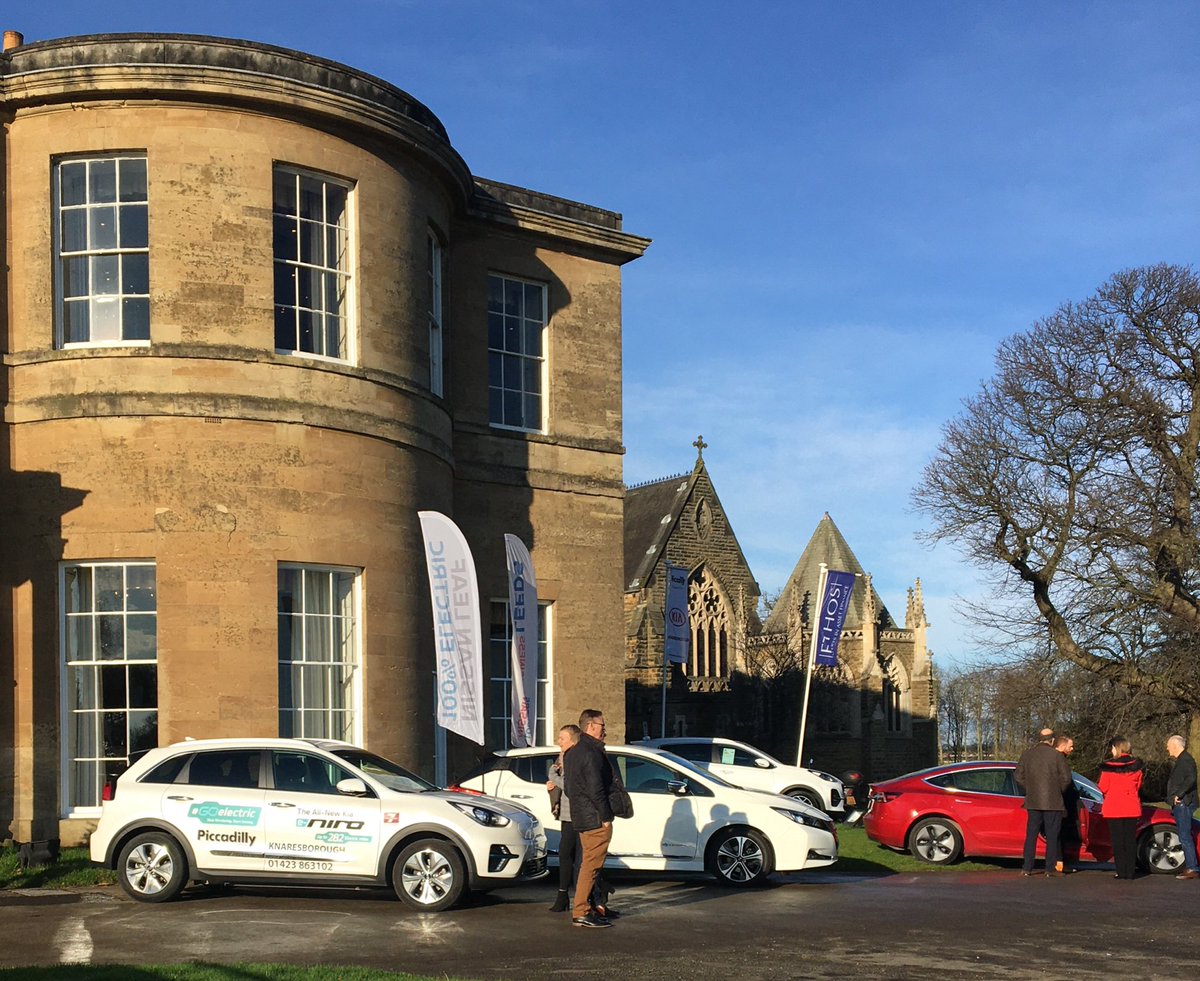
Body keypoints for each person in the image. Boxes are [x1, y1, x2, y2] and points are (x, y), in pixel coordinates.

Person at [563, 708, 614, 927]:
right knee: (591, 865)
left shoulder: (573, 752)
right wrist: (605, 816)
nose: (605, 730)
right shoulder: (591, 753)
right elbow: (596, 789)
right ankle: (582, 910)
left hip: (581, 815)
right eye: (603, 725)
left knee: (588, 863)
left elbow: (567, 787)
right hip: (594, 817)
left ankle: (586, 907)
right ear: (591, 726)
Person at [1013, 728, 1072, 877]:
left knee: (1031, 835)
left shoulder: (1027, 755)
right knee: (1052, 836)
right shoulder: (1057, 756)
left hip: (1033, 801)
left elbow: (1018, 776)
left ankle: (1027, 867)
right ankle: (1049, 869)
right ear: (1052, 741)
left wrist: (1030, 789)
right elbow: (1066, 779)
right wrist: (1057, 790)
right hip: (1053, 801)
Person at [1097, 736, 1143, 880]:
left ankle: (1121, 871)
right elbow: (1138, 786)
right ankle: (1130, 871)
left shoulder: (1109, 768)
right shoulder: (1136, 767)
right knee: (1130, 840)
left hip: (1114, 807)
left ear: (1116, 748)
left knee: (1117, 841)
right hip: (1131, 806)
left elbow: (1103, 788)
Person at [546, 724, 581, 912]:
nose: (558, 742)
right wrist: (553, 785)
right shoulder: (562, 758)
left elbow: (570, 785)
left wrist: (552, 775)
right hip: (567, 815)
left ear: (572, 740)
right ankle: (563, 895)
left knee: (570, 854)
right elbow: (562, 783)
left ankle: (575, 897)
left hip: (577, 814)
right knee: (566, 854)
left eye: (562, 738)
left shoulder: (574, 757)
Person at [1165, 735, 1200, 880]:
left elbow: (1191, 778)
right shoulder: (1183, 760)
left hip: (1184, 803)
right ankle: (1191, 866)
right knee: (1186, 835)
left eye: (1168, 745)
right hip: (1182, 802)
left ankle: (1192, 868)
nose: (1167, 748)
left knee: (1185, 836)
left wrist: (1178, 795)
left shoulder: (1186, 760)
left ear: (1175, 745)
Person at [1053, 734, 1079, 873]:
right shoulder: (1059, 760)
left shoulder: (1056, 759)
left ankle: (1059, 862)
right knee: (1059, 833)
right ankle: (1059, 862)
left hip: (1060, 801)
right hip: (1060, 802)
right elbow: (1065, 780)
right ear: (1062, 746)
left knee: (1059, 833)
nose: (1072, 749)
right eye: (1070, 746)